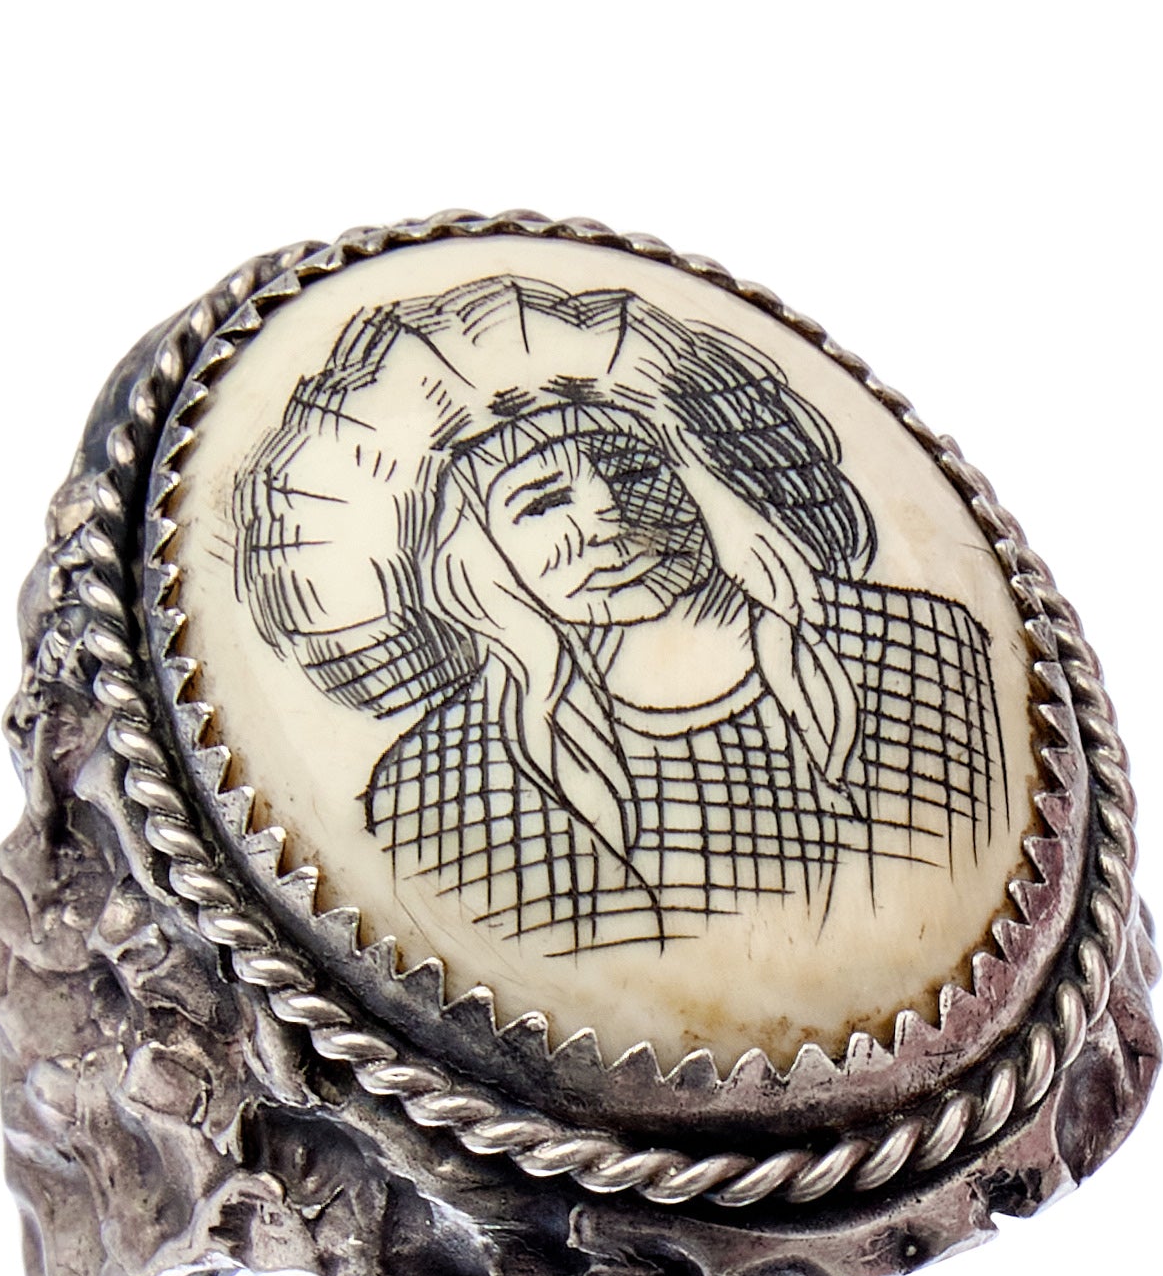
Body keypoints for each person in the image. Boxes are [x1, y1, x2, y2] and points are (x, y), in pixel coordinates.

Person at [230, 277, 1008, 955]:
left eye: (635, 468)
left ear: (706, 481)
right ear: (474, 563)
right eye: (540, 502)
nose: (604, 517)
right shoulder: (440, 787)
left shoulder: (926, 656)